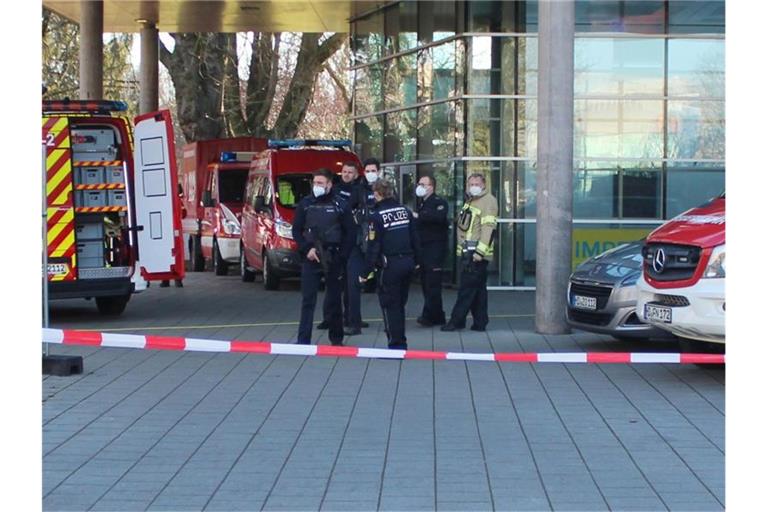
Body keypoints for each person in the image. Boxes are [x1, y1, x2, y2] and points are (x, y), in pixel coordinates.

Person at [292, 168, 356, 346]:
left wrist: (342, 257)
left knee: (335, 300)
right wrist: (307, 249)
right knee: (308, 300)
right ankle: (303, 340)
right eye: (315, 183)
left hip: (334, 257)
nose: (316, 186)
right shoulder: (305, 204)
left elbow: (350, 233)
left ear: (329, 184)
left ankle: (336, 339)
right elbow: (296, 230)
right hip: (311, 257)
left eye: (320, 183)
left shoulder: (341, 204)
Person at [360, 179, 420, 350]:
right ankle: (401, 340)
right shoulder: (405, 211)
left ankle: (396, 344)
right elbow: (415, 238)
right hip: (407, 263)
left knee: (389, 305)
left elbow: (373, 247)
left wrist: (365, 273)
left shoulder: (376, 216)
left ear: (377, 194)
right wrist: (417, 262)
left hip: (389, 266)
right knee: (400, 304)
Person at [441, 173, 498, 332]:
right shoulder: (471, 200)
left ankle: (456, 321)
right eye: (471, 183)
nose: (473, 186)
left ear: (484, 184)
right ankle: (480, 322)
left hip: (475, 255)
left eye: (476, 184)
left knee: (466, 290)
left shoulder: (488, 201)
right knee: (478, 290)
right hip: (468, 252)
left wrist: (479, 252)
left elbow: (488, 229)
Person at [413, 174, 449, 326]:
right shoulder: (423, 203)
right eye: (419, 183)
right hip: (425, 249)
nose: (419, 186)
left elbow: (438, 218)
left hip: (435, 249)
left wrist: (418, 216)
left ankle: (429, 316)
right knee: (426, 283)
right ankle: (437, 315)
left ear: (431, 187)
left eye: (423, 184)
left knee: (432, 284)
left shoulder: (438, 202)